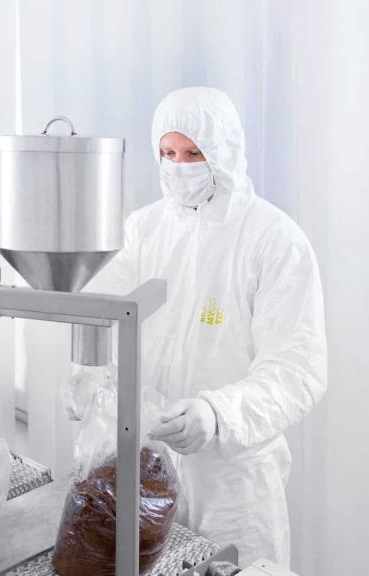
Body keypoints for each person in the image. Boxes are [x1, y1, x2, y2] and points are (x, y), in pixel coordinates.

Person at [85, 87, 327, 567]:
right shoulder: (142, 230)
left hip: (234, 480)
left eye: (194, 153)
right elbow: (98, 308)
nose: (180, 166)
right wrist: (88, 376)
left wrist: (217, 413)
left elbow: (298, 369)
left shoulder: (274, 240)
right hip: (148, 469)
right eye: (168, 153)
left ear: (225, 150)